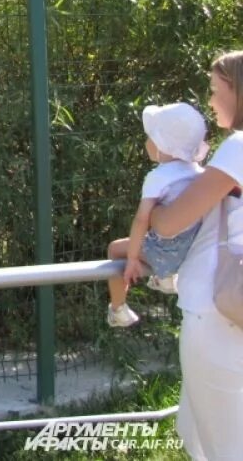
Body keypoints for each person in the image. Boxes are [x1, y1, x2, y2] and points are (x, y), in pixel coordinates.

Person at [150, 50, 243, 459]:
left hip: (218, 310)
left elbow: (171, 223)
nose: (210, 101)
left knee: (223, 446)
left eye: (214, 90)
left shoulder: (237, 148)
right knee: (196, 429)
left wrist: (147, 209)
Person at [106, 102, 209, 328]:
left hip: (166, 250)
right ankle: (166, 279)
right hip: (193, 249)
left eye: (151, 137)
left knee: (115, 249)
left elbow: (142, 218)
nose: (146, 142)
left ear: (163, 146)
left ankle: (118, 309)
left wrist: (132, 258)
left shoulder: (159, 177)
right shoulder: (200, 174)